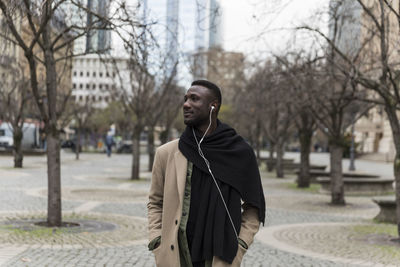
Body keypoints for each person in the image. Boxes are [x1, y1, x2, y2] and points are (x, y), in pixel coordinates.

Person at [147, 80, 266, 267]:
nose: (186, 104)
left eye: (194, 99)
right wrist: (156, 241)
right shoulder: (167, 153)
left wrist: (241, 244)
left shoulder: (239, 152)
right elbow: (155, 202)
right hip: (176, 257)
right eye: (185, 99)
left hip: (219, 257)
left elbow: (253, 207)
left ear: (213, 105)